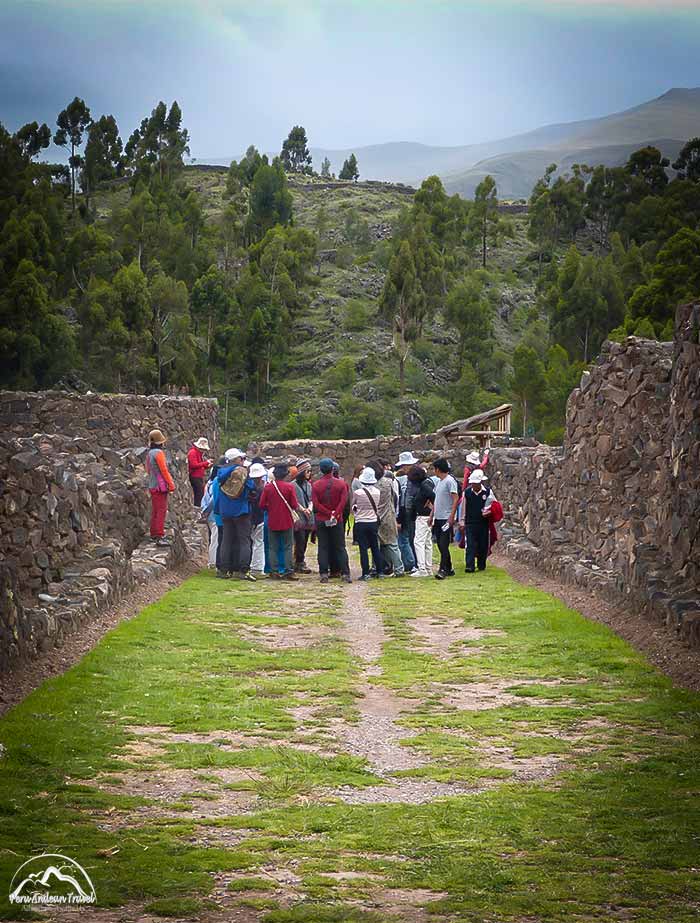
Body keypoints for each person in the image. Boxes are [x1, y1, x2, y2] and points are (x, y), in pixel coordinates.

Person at [215, 448, 256, 580]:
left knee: (226, 540)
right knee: (244, 540)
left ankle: (224, 570)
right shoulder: (242, 471)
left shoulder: (221, 472)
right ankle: (243, 570)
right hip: (241, 510)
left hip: (225, 511)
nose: (243, 461)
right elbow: (251, 487)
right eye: (241, 458)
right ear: (236, 459)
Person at [312, 457, 351, 584]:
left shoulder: (316, 485)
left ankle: (324, 573)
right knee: (340, 546)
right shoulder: (341, 484)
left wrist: (328, 513)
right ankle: (345, 573)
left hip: (322, 519)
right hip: (336, 519)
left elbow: (316, 504)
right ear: (332, 469)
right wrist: (335, 513)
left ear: (321, 470)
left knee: (323, 547)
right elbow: (343, 501)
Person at [259, 464, 299, 580]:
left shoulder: (268, 487)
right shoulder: (289, 487)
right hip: (287, 520)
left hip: (273, 520)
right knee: (287, 546)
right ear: (286, 475)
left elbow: (262, 504)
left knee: (273, 547)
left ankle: (274, 571)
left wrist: (271, 508)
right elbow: (294, 505)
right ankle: (288, 571)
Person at [369, 460, 404, 577]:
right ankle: (399, 569)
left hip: (374, 518)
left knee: (376, 546)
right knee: (392, 545)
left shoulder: (370, 486)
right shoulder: (388, 482)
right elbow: (395, 498)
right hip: (388, 516)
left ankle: (376, 568)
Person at [461, 469, 497, 572]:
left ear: (481, 482)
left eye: (476, 483)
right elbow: (463, 507)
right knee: (470, 544)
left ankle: (481, 564)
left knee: (483, 544)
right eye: (472, 483)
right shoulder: (467, 493)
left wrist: (489, 512)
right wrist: (462, 521)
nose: (474, 485)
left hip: (483, 523)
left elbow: (495, 506)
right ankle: (469, 566)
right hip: (470, 522)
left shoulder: (488, 492)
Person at [352, 467, 383, 580]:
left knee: (363, 548)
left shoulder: (358, 493)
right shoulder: (377, 492)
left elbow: (354, 505)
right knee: (375, 547)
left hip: (361, 521)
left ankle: (365, 573)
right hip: (373, 521)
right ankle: (380, 571)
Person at [430, 458, 459, 580]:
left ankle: (443, 569)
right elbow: (437, 501)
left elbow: (455, 498)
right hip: (439, 516)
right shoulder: (439, 482)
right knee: (440, 544)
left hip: (446, 517)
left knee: (443, 543)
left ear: (438, 469)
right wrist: (432, 515)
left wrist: (452, 516)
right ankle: (449, 567)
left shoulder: (449, 481)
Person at [145, 429, 175, 547]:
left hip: (152, 485)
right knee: (161, 511)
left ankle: (154, 533)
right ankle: (159, 535)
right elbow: (164, 470)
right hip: (159, 487)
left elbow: (148, 469)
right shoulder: (159, 453)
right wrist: (171, 484)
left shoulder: (149, 453)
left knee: (155, 510)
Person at [407, 464, 435, 577]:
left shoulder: (424, 486)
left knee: (418, 542)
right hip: (427, 516)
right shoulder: (427, 482)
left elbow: (433, 495)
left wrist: (431, 506)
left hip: (423, 517)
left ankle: (422, 568)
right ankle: (428, 568)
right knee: (427, 542)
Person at [394, 451, 419, 574]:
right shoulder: (406, 479)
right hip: (410, 511)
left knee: (406, 539)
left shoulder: (402, 479)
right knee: (410, 538)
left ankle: (410, 562)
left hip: (407, 511)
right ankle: (414, 562)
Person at [201, 456, 225, 567]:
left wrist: (204, 511)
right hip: (214, 514)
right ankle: (213, 561)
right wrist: (207, 511)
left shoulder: (208, 484)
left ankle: (212, 560)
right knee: (215, 538)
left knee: (213, 538)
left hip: (209, 515)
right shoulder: (216, 484)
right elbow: (213, 500)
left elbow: (205, 499)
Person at [293, 459, 314, 573]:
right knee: (299, 540)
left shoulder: (308, 485)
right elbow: (294, 501)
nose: (309, 473)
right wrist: (302, 509)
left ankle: (300, 561)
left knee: (304, 540)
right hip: (298, 518)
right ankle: (298, 562)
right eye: (307, 471)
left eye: (310, 471)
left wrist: (309, 508)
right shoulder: (293, 485)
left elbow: (311, 499)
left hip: (307, 517)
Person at [248, 462, 267, 576]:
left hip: (249, 518)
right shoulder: (262, 489)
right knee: (259, 542)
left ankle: (250, 564)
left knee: (249, 542)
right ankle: (258, 566)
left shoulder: (249, 488)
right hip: (260, 517)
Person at [187, 437, 212, 507]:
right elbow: (193, 465)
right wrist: (205, 463)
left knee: (201, 493)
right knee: (199, 493)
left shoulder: (199, 454)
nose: (203, 451)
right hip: (195, 476)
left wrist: (207, 465)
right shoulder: (193, 453)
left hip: (199, 476)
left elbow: (200, 465)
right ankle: (197, 507)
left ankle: (199, 507)